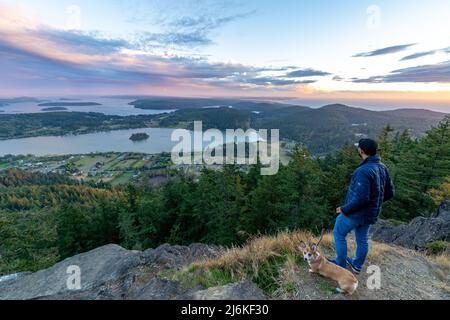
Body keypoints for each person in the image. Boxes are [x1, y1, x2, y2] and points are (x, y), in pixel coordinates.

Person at [331, 138, 395, 274]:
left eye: (358, 148)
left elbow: (361, 199)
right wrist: (375, 203)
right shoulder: (383, 167)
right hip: (370, 214)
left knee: (338, 233)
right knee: (362, 239)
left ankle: (340, 266)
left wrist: (344, 209)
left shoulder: (363, 171)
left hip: (356, 213)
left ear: (361, 150)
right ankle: (356, 265)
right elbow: (390, 193)